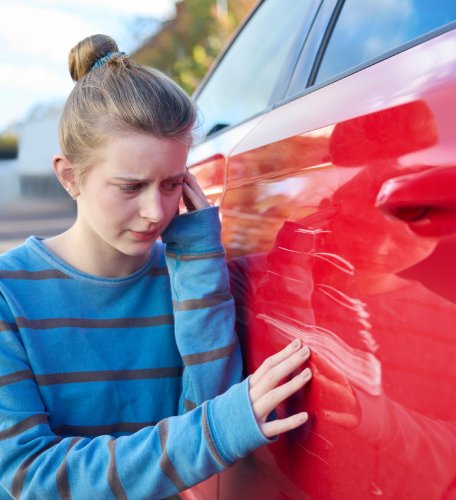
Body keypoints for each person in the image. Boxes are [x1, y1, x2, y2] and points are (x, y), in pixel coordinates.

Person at [0, 34, 311, 499]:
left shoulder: (185, 275)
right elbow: (28, 478)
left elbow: (203, 431)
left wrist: (200, 258)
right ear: (69, 176)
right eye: (130, 186)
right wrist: (222, 428)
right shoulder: (10, 293)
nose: (155, 211)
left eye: (171, 184)